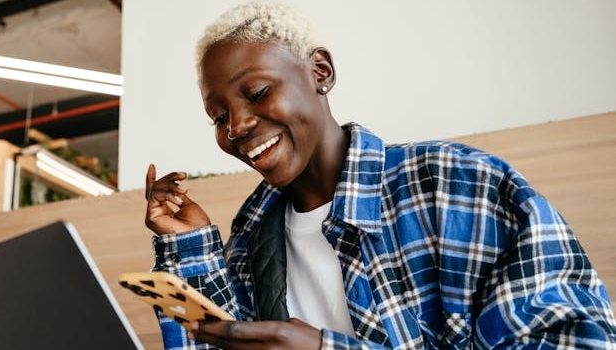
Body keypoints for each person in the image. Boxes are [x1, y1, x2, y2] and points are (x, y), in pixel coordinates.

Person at [143, 2, 616, 349]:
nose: (237, 126)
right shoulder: (251, 235)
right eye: (218, 117)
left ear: (320, 72)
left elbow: (575, 341)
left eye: (258, 92)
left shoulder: (456, 185)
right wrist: (191, 249)